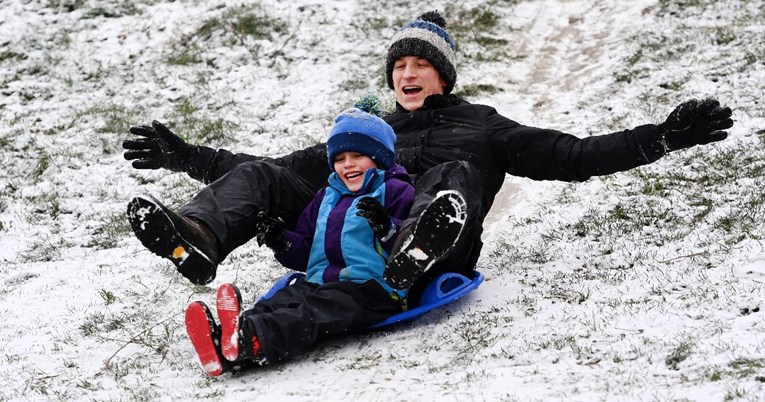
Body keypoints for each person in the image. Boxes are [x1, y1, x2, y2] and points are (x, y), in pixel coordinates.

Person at [123, 11, 734, 299]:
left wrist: (663, 136)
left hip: (442, 240)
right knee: (265, 176)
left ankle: (414, 248)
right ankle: (199, 235)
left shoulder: (482, 127)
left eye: (420, 64)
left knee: (450, 175)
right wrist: (188, 157)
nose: (407, 73)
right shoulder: (369, 134)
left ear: (442, 75)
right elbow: (278, 172)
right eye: (400, 66)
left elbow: (572, 155)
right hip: (359, 242)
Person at [181, 108, 441, 376]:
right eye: (339, 158)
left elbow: (408, 246)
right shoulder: (325, 198)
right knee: (282, 300)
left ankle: (253, 339)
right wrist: (281, 240)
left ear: (380, 159)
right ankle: (228, 342)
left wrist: (385, 226)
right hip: (318, 281)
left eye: (357, 156)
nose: (347, 164)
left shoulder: (398, 190)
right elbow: (305, 252)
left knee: (310, 313)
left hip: (371, 289)